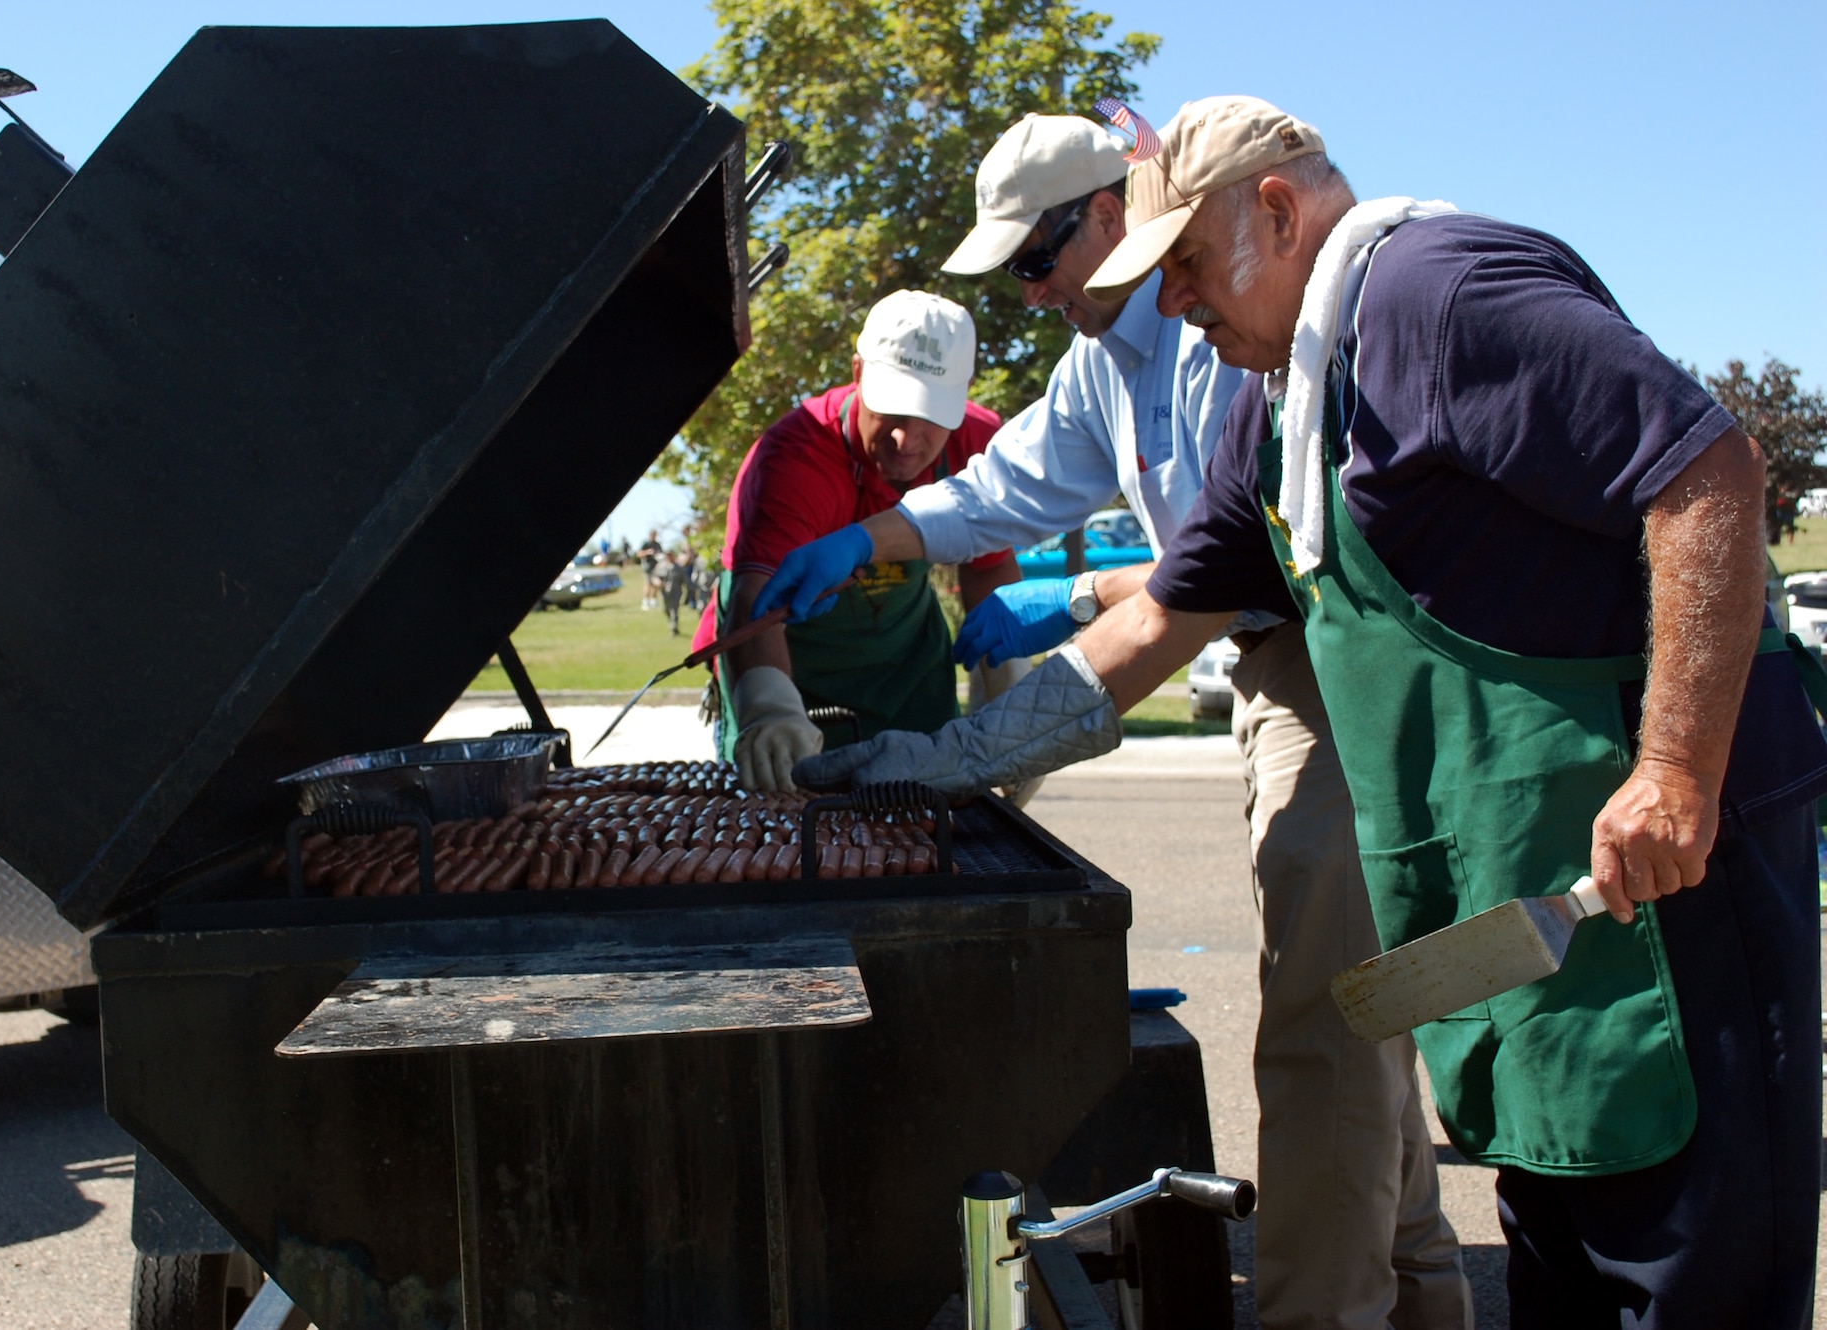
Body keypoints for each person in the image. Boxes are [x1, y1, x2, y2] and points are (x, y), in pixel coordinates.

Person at [793, 95, 1827, 1327]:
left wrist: (1670, 772)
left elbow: (1704, 472)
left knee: (1680, 1262)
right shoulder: (1272, 402)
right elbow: (1150, 625)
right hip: (1532, 873)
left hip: (1667, 869)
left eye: (1180, 265)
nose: (1170, 306)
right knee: (1553, 1230)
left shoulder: (1433, 293)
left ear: (1274, 213)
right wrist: (937, 762)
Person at [757, 113, 1469, 1328]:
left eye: (1038, 262)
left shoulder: (1217, 331)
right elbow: (1004, 487)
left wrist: (973, 736)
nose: (1033, 295)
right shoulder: (1100, 361)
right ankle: (1420, 1294)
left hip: (1339, 660)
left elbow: (1201, 586)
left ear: (1107, 212)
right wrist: (873, 536)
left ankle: (1324, 1311)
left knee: (1322, 1020)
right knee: (1356, 990)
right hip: (1263, 661)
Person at [691, 290, 1020, 792]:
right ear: (859, 372)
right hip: (786, 666)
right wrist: (772, 708)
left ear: (964, 390)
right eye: (894, 410)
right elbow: (755, 596)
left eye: (931, 415)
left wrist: (1007, 698)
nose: (908, 442)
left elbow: (990, 563)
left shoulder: (976, 441)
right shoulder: (794, 455)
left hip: (908, 673)